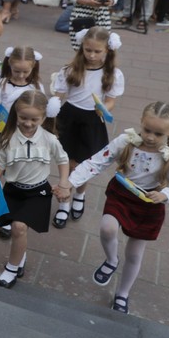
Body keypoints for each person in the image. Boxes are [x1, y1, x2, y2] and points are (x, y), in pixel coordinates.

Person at [69, 101, 169, 314]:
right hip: (121, 194)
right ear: (141, 122)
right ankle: (111, 260)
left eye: (158, 134)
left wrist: (164, 194)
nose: (150, 137)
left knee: (135, 255)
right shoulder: (125, 142)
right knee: (107, 228)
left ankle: (122, 293)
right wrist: (71, 182)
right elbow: (96, 162)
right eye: (147, 130)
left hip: (149, 204)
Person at [0, 90, 69, 287]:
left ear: (44, 117)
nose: (28, 123)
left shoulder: (50, 139)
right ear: (16, 113)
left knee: (19, 227)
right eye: (23, 117)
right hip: (13, 190)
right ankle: (20, 256)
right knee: (18, 231)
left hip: (38, 192)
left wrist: (64, 182)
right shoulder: (7, 138)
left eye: (34, 119)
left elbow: (63, 160)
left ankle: (11, 269)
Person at [52, 27, 125, 229]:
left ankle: (80, 194)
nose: (91, 55)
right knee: (66, 161)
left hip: (92, 120)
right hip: (69, 118)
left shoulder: (113, 74)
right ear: (81, 48)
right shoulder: (70, 69)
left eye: (97, 51)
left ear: (107, 50)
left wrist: (104, 108)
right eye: (87, 50)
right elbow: (59, 96)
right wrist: (52, 106)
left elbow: (111, 101)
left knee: (84, 163)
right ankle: (64, 201)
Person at [0, 46, 46, 164]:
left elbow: (40, 109)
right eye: (17, 71)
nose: (21, 75)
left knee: (16, 166)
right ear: (9, 64)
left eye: (25, 72)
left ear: (33, 66)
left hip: (25, 131)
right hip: (1, 131)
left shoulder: (36, 87)